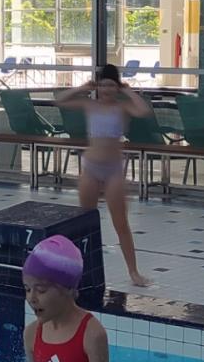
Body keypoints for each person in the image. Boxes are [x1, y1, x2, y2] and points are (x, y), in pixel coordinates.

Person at [56, 64, 152, 287]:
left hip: (113, 170)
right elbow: (60, 100)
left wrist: (128, 91)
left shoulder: (122, 107)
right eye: (103, 85)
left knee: (121, 223)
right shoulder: (89, 105)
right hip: (91, 168)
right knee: (84, 222)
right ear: (97, 86)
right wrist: (82, 87)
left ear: (117, 87)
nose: (107, 89)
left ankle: (134, 272)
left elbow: (143, 110)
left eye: (111, 85)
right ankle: (77, 270)